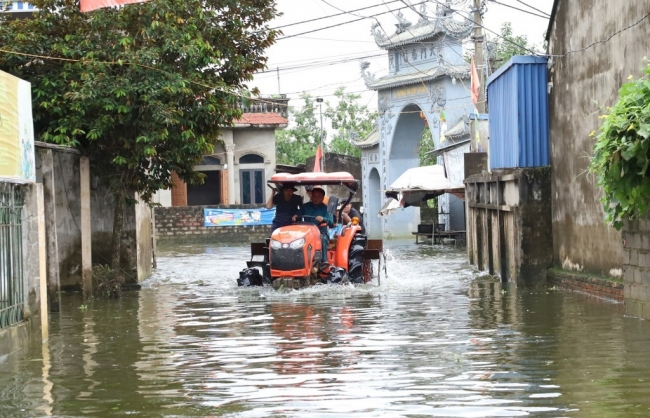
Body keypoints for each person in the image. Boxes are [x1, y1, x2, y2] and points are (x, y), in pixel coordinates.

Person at [293, 186, 333, 265]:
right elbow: (298, 215)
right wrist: (295, 216)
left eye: (318, 197)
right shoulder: (305, 206)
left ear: (322, 198)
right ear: (311, 196)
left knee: (322, 239)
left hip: (321, 231)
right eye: (314, 196)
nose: (315, 198)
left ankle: (323, 261)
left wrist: (323, 219)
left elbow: (331, 221)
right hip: (306, 231)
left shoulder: (326, 209)